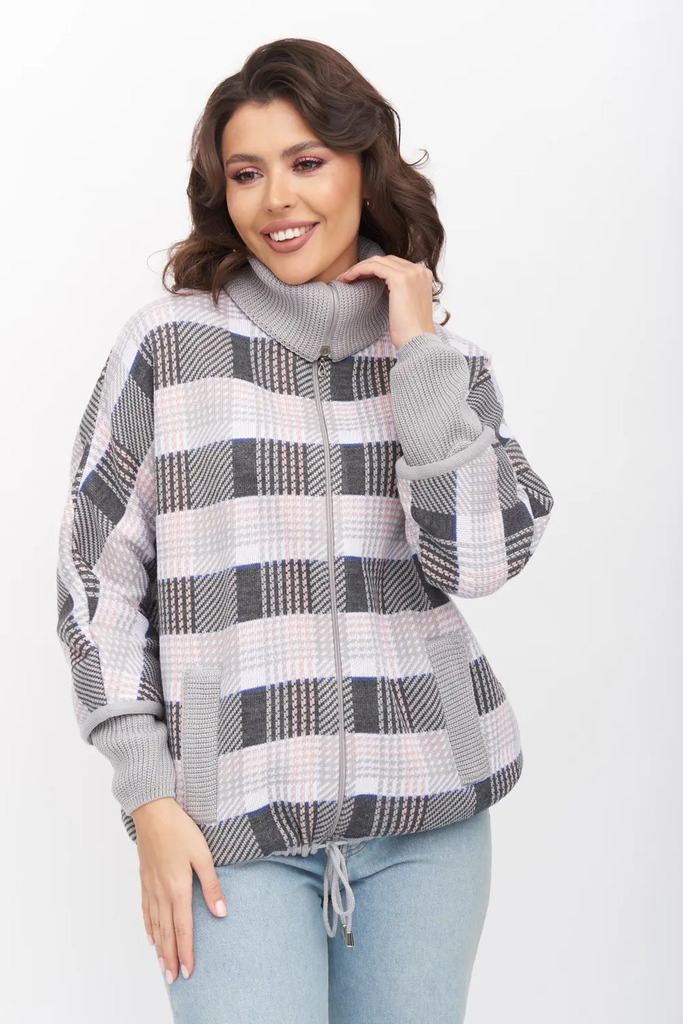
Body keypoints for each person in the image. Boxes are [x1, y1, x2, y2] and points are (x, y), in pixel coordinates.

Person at [55, 37, 554, 1024]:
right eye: (246, 173)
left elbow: (477, 561)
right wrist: (149, 796)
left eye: (306, 161)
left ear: (364, 165)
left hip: (427, 823)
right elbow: (93, 577)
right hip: (228, 824)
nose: (276, 199)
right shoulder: (170, 346)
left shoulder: (441, 362)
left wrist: (418, 359)